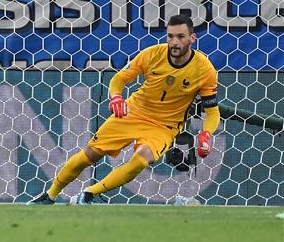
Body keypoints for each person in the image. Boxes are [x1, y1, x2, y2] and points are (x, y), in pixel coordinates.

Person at [30, 14, 219, 205]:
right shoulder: (152, 54)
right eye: (170, 36)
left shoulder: (204, 70)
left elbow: (212, 111)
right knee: (89, 155)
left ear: (192, 38)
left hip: (165, 126)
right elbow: (119, 79)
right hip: (133, 112)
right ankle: (51, 195)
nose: (174, 42)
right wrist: (116, 97)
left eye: (181, 36)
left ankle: (89, 193)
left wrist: (206, 134)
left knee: (141, 159)